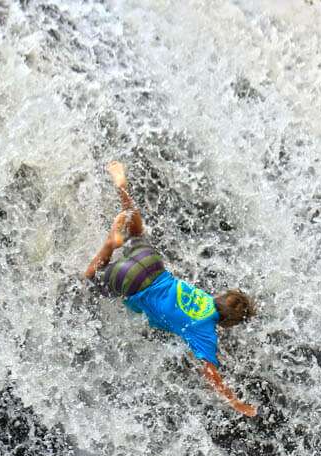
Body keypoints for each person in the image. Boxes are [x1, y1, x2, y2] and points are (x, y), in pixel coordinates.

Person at [83, 161, 258, 417]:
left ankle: (121, 186)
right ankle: (109, 245)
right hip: (132, 283)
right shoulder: (205, 331)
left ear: (222, 296)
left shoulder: (205, 298)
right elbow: (212, 376)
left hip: (152, 263)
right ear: (227, 323)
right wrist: (237, 403)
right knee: (88, 279)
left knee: (136, 229)